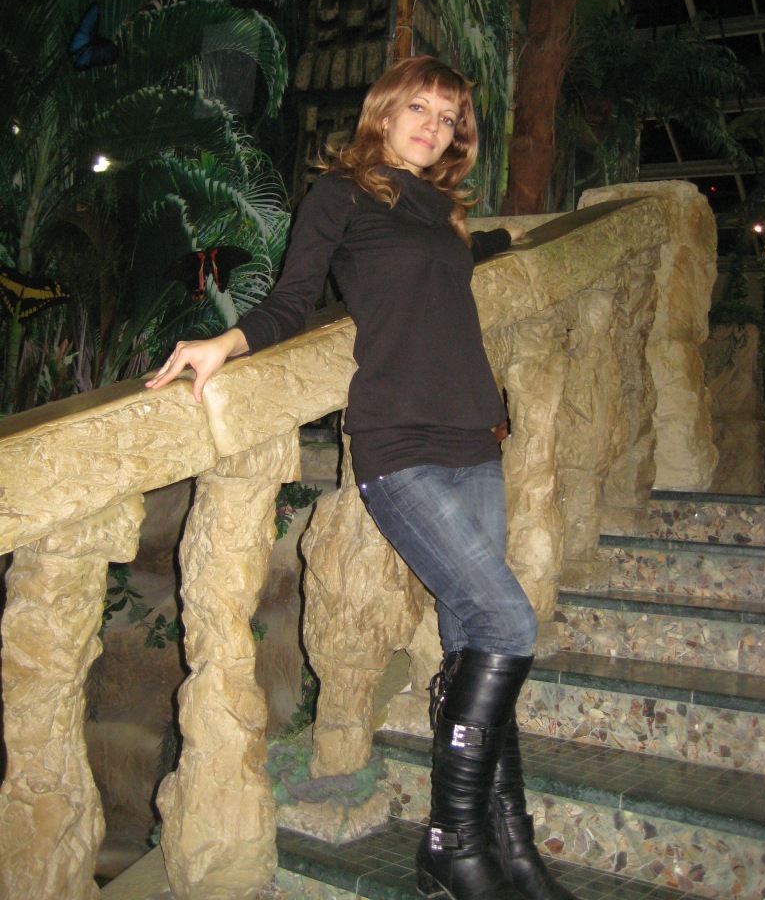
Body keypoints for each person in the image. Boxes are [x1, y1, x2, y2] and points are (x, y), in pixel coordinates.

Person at [146, 55, 578, 900]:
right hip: (399, 445)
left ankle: (512, 849)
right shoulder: (339, 196)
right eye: (419, 108)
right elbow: (292, 299)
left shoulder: (443, 211)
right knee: (508, 624)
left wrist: (505, 240)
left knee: (474, 642)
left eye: (448, 119)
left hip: (475, 440)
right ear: (384, 111)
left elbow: (452, 270)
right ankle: (453, 844)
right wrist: (222, 342)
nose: (433, 128)